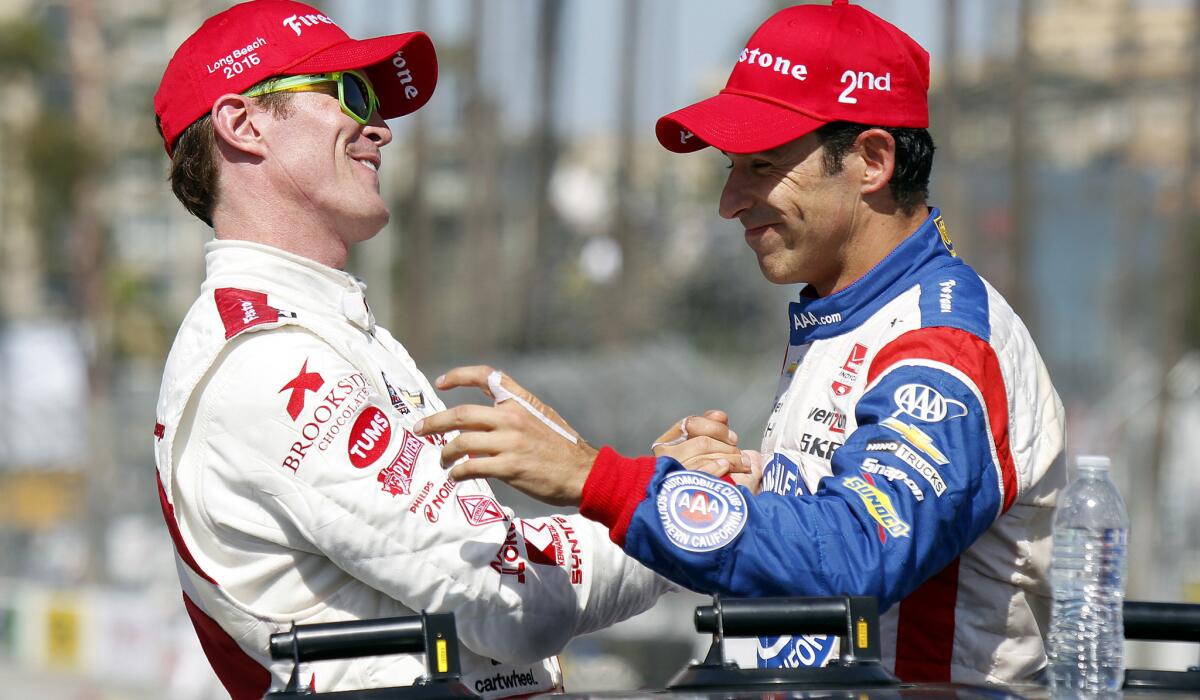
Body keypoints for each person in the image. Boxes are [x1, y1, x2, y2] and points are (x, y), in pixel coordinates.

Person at [415, 0, 1067, 686]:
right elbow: (835, 529)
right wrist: (731, 487)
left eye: (761, 165)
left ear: (873, 160)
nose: (730, 201)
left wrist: (594, 476)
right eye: (733, 167)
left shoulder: (943, 342)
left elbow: (858, 553)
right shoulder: (851, 315)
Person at [150, 2, 674, 698]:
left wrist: (625, 489)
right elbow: (507, 602)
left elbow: (486, 570)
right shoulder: (269, 362)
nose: (380, 128)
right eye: (350, 93)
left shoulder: (325, 326)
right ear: (242, 124)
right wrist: (678, 509)